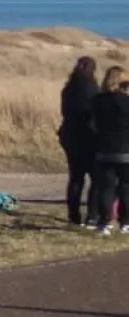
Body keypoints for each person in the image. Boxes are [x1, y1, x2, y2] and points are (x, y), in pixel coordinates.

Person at [58, 56, 101, 226]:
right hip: (88, 136)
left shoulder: (68, 88)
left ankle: (73, 214)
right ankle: (92, 213)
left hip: (69, 134)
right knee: (96, 178)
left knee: (76, 177)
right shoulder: (92, 88)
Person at [89, 65, 129, 235]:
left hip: (104, 149)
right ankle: (125, 222)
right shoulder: (126, 101)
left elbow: (93, 124)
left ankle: (104, 222)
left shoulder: (97, 100)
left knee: (106, 187)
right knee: (126, 186)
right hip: (125, 149)